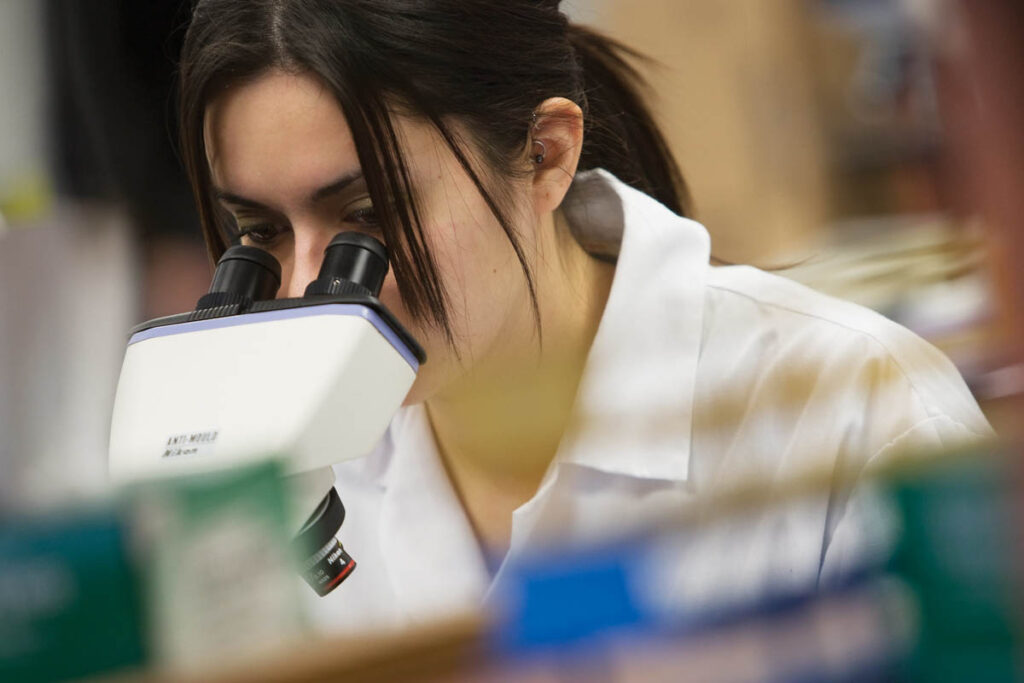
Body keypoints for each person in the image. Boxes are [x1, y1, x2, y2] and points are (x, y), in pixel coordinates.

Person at [177, 0, 993, 632]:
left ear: (546, 155)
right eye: (263, 234)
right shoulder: (290, 474)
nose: (308, 288)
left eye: (367, 213)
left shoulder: (860, 411)